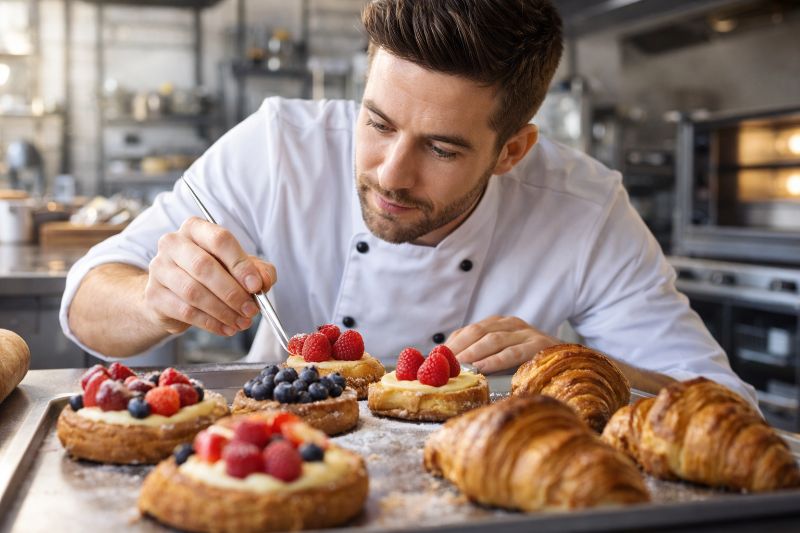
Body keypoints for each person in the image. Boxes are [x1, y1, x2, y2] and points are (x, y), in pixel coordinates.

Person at [59, 0, 756, 404]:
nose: (391, 174)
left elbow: (735, 413)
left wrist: (575, 363)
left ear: (512, 150)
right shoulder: (278, 146)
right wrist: (155, 298)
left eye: (443, 149)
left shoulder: (585, 208)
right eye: (378, 123)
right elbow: (87, 302)